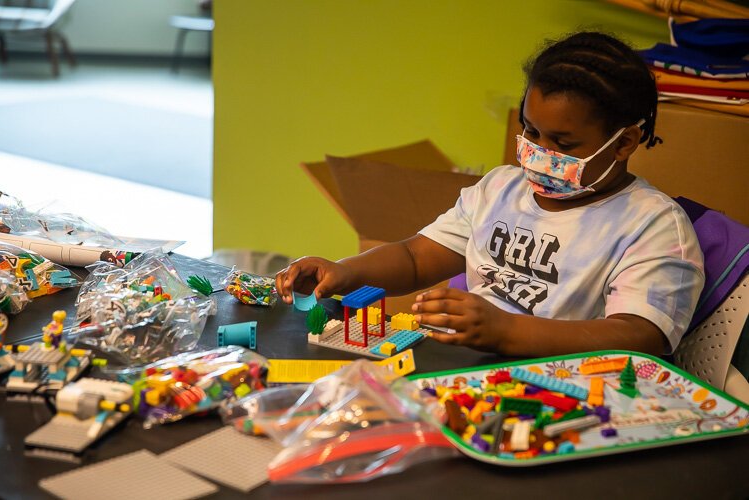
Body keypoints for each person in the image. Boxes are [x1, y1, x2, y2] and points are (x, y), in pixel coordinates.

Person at [275, 32, 705, 358]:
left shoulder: (652, 225)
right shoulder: (500, 188)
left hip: (559, 390)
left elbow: (641, 336)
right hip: (464, 364)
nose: (539, 152)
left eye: (563, 143)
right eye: (531, 131)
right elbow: (416, 257)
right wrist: (346, 272)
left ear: (625, 143)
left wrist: (506, 331)